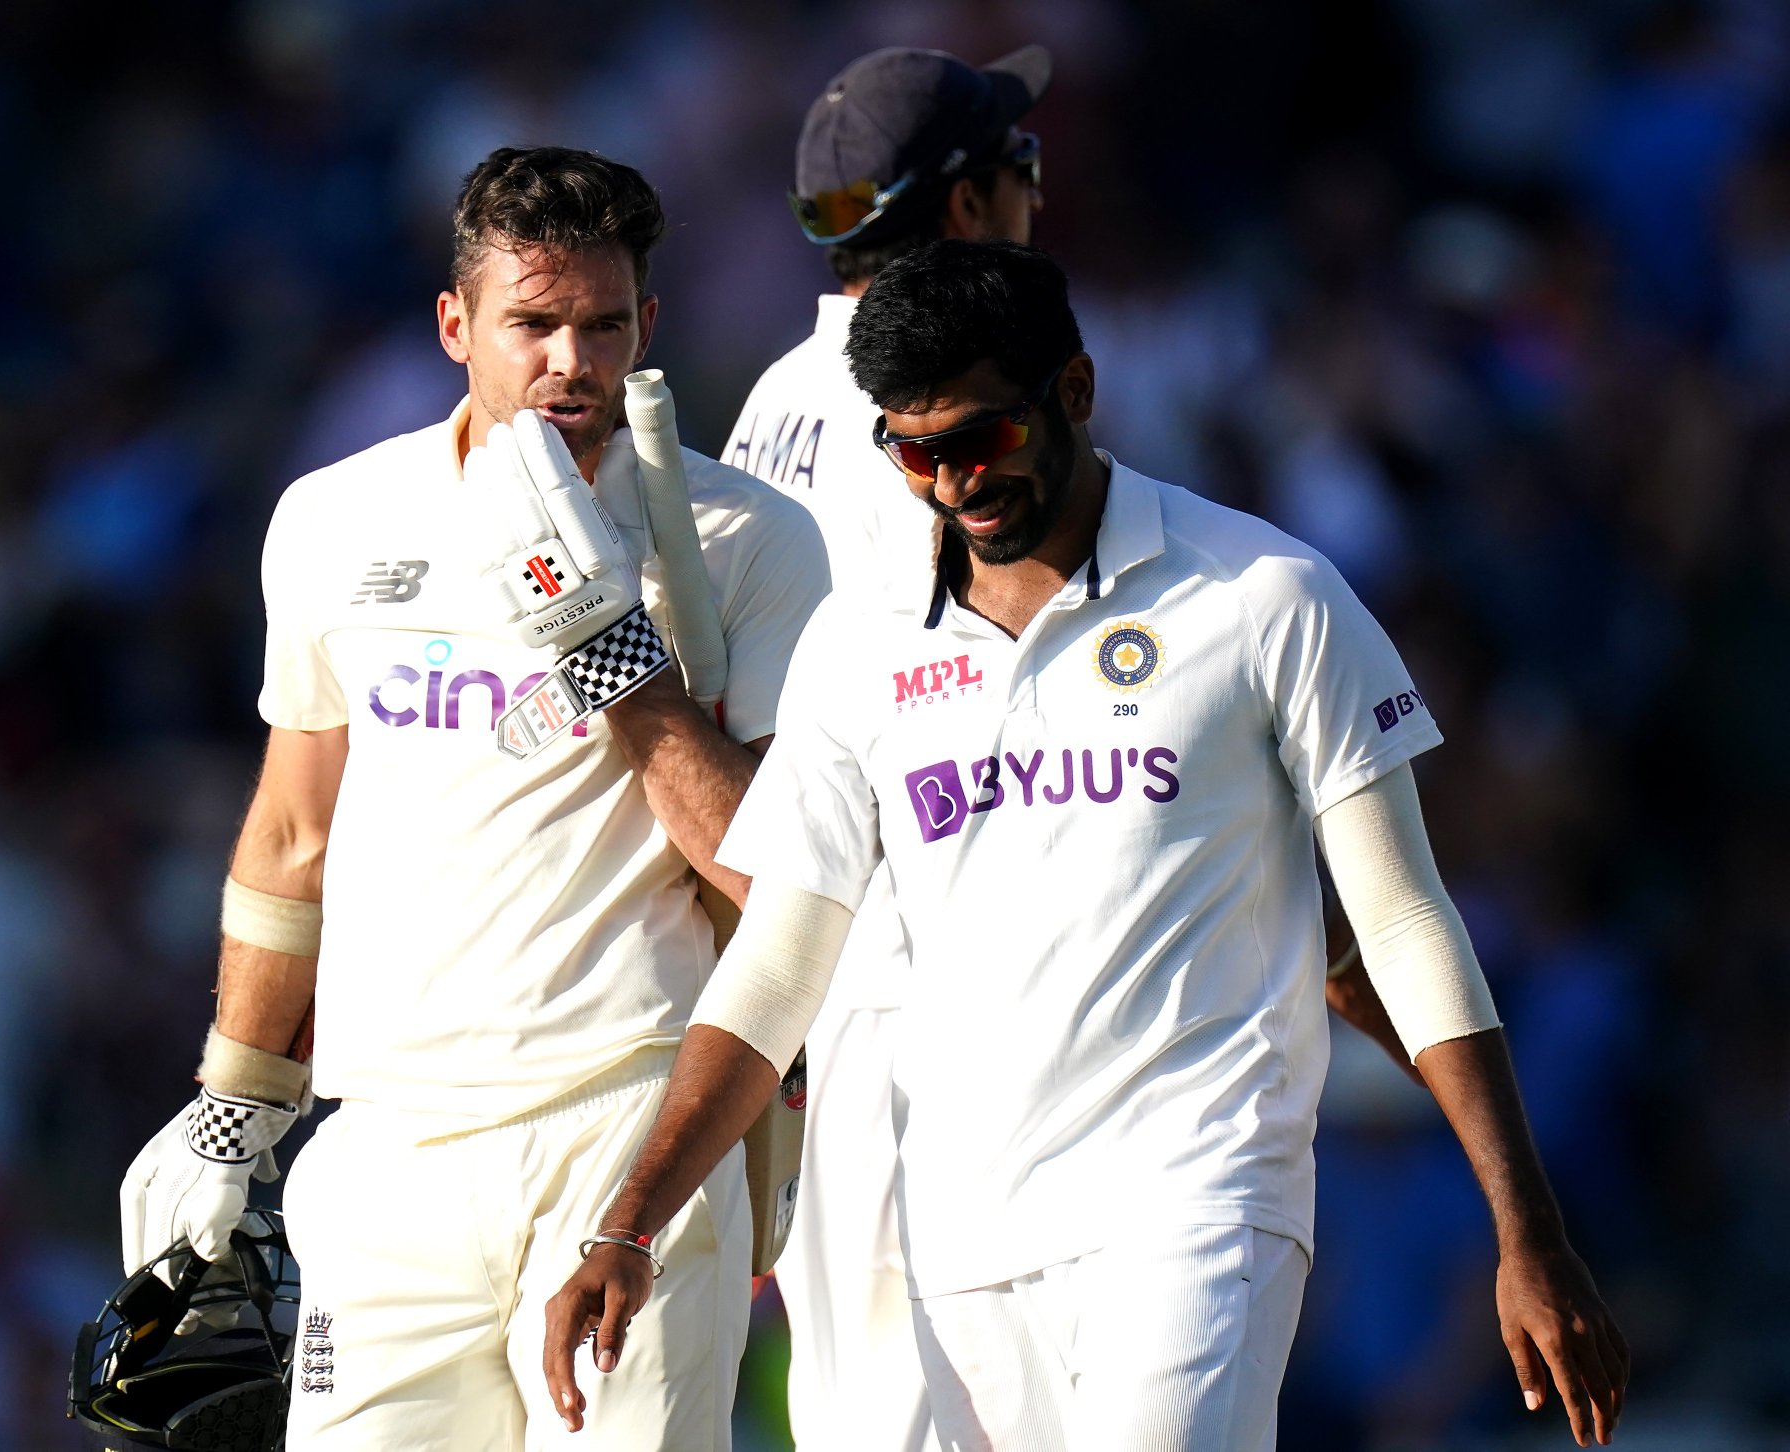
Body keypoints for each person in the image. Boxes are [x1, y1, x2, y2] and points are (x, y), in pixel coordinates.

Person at [544, 241, 1628, 1451]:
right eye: (914, 453)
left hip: (1200, 1197)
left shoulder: (1265, 595)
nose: (954, 482)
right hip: (960, 1235)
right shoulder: (859, 644)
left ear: (1073, 388)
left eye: (981, 438)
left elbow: (1399, 917)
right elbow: (777, 972)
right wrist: (627, 1225)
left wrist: (1524, 1225)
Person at [722, 47, 1422, 1452]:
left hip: (838, 1025)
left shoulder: (767, 409)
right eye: (1022, 165)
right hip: (974, 1025)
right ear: (970, 202)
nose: (1042, 191)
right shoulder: (946, 420)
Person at [118, 145, 829, 1450]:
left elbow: (780, 890)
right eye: (534, 324)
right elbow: (292, 835)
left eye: (604, 325)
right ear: (456, 325)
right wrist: (238, 1098)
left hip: (628, 1118)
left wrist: (613, 646)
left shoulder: (748, 539)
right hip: (391, 1136)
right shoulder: (335, 519)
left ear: (648, 327)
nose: (572, 361)